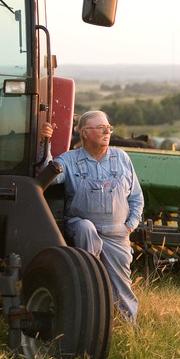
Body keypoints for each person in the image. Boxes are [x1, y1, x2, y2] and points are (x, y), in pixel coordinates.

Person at [40, 111, 144, 326]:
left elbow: (136, 196)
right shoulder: (69, 159)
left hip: (117, 233)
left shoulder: (122, 158)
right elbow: (47, 176)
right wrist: (45, 143)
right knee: (86, 235)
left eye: (109, 128)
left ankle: (129, 330)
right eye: (101, 128)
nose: (107, 131)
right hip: (83, 227)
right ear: (84, 133)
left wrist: (129, 226)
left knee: (122, 286)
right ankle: (89, 321)